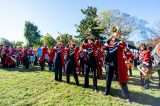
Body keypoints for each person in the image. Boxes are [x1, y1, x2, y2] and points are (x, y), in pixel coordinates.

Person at [103, 26, 131, 102]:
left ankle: (126, 96)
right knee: (108, 77)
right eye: (115, 32)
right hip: (109, 62)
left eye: (117, 33)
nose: (116, 33)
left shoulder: (120, 42)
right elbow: (104, 48)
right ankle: (107, 91)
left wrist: (118, 37)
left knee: (122, 78)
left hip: (118, 63)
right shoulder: (109, 41)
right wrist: (109, 39)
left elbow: (123, 46)